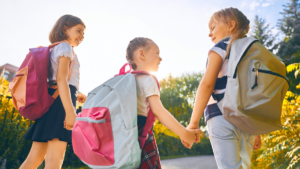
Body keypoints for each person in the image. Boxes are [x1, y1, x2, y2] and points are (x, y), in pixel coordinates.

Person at [182, 8, 262, 169]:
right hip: (247, 120)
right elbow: (255, 91)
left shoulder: (220, 47)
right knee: (244, 166)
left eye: (213, 27)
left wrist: (194, 122)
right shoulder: (252, 51)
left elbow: (207, 84)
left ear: (231, 25)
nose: (210, 34)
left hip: (220, 115)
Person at [20, 14, 85, 169]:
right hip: (60, 106)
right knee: (55, 159)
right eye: (78, 31)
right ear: (64, 29)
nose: (82, 36)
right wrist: (70, 110)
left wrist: (76, 93)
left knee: (33, 159)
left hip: (51, 102)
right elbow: (62, 80)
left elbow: (57, 79)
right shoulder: (66, 48)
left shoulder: (55, 48)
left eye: (83, 33)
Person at [126, 37, 201, 169]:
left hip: (124, 137)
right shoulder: (147, 79)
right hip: (142, 135)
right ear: (141, 54)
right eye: (156, 53)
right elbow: (158, 111)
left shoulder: (125, 79)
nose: (160, 58)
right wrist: (184, 133)